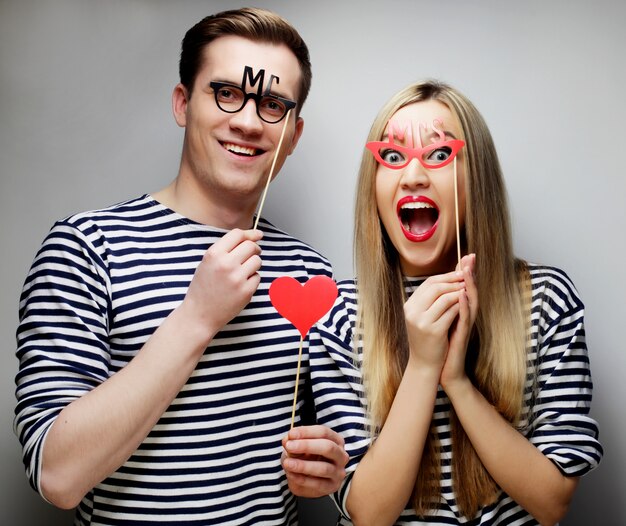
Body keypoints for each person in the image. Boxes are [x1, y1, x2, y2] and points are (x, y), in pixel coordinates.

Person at [14, 7, 349, 525]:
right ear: (182, 103)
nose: (246, 121)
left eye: (273, 104)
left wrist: (325, 465)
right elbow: (57, 476)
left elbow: (319, 449)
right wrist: (197, 316)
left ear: (294, 133)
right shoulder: (86, 246)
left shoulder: (312, 276)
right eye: (227, 92)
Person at [304, 79, 603, 525]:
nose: (413, 175)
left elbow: (552, 500)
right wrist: (423, 368)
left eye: (440, 154)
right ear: (374, 183)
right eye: (392, 156)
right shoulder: (338, 314)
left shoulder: (546, 299)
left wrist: (457, 380)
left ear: (475, 178)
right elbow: (369, 513)